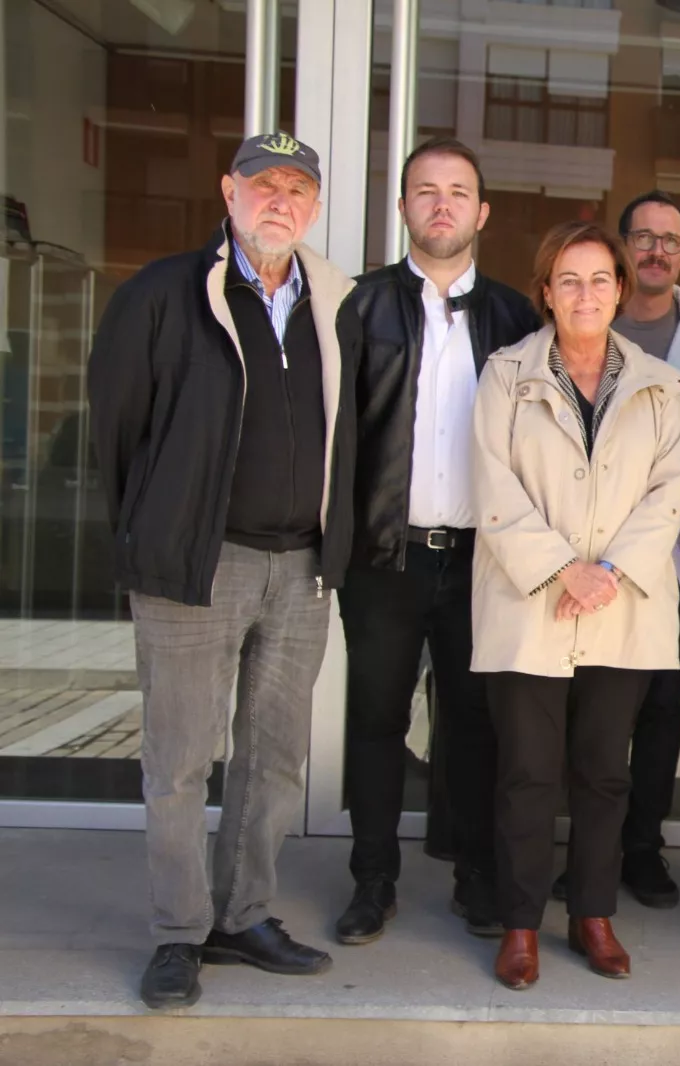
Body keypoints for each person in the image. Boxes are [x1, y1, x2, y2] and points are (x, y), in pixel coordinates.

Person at [87, 133, 357, 1010]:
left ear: (314, 206)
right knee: (180, 761)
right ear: (227, 192)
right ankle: (177, 933)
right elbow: (118, 428)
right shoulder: (167, 293)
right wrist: (155, 535)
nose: (280, 200)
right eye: (263, 184)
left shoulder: (334, 303)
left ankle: (242, 915)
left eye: (297, 188)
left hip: (300, 569)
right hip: (197, 567)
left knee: (274, 761)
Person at [470, 220, 680, 991]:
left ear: (621, 290)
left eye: (600, 279)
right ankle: (521, 925)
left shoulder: (660, 384)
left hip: (623, 607)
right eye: (569, 280)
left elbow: (669, 496)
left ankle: (593, 916)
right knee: (527, 774)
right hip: (531, 603)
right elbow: (491, 486)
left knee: (604, 773)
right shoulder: (506, 374)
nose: (585, 294)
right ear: (546, 292)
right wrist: (566, 570)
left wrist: (607, 574)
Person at [334, 138, 541, 946]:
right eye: (426, 190)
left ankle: (477, 877)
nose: (442, 204)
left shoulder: (516, 318)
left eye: (458, 192)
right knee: (377, 720)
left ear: (482, 212)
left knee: (475, 724)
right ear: (403, 208)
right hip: (384, 555)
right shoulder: (359, 306)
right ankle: (372, 880)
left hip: (483, 560)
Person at [552, 191, 680, 909]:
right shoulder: (584, 328)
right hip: (590, 553)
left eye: (670, 240)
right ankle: (584, 855)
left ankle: (642, 850)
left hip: (677, 557)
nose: (656, 251)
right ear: (622, 248)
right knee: (588, 707)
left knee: (661, 707)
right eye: (643, 238)